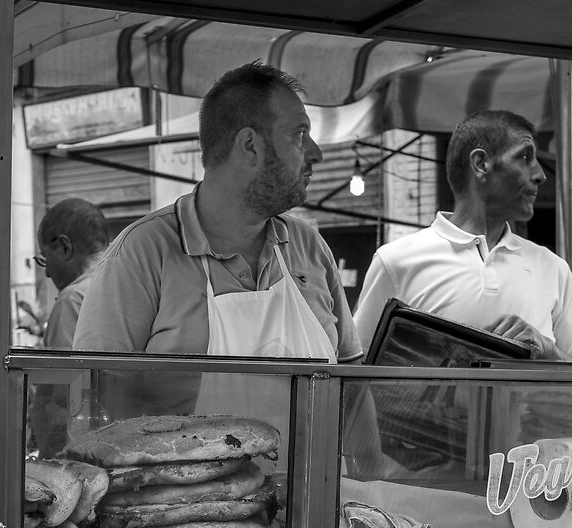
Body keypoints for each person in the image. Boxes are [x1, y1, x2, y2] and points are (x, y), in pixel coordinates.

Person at [76, 62, 361, 419]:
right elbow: (95, 407)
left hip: (311, 476)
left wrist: (366, 473)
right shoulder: (142, 255)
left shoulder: (309, 246)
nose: (316, 152)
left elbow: (354, 389)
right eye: (300, 134)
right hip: (182, 476)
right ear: (250, 146)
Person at [353, 108, 572, 362]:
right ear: (481, 164)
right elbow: (356, 374)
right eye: (524, 157)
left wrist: (548, 351)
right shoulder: (396, 261)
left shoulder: (552, 268)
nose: (540, 174)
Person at [25, 197, 109, 350]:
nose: (48, 273)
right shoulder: (133, 283)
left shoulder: (73, 300)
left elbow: (63, 373)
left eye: (46, 258)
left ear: (64, 247)